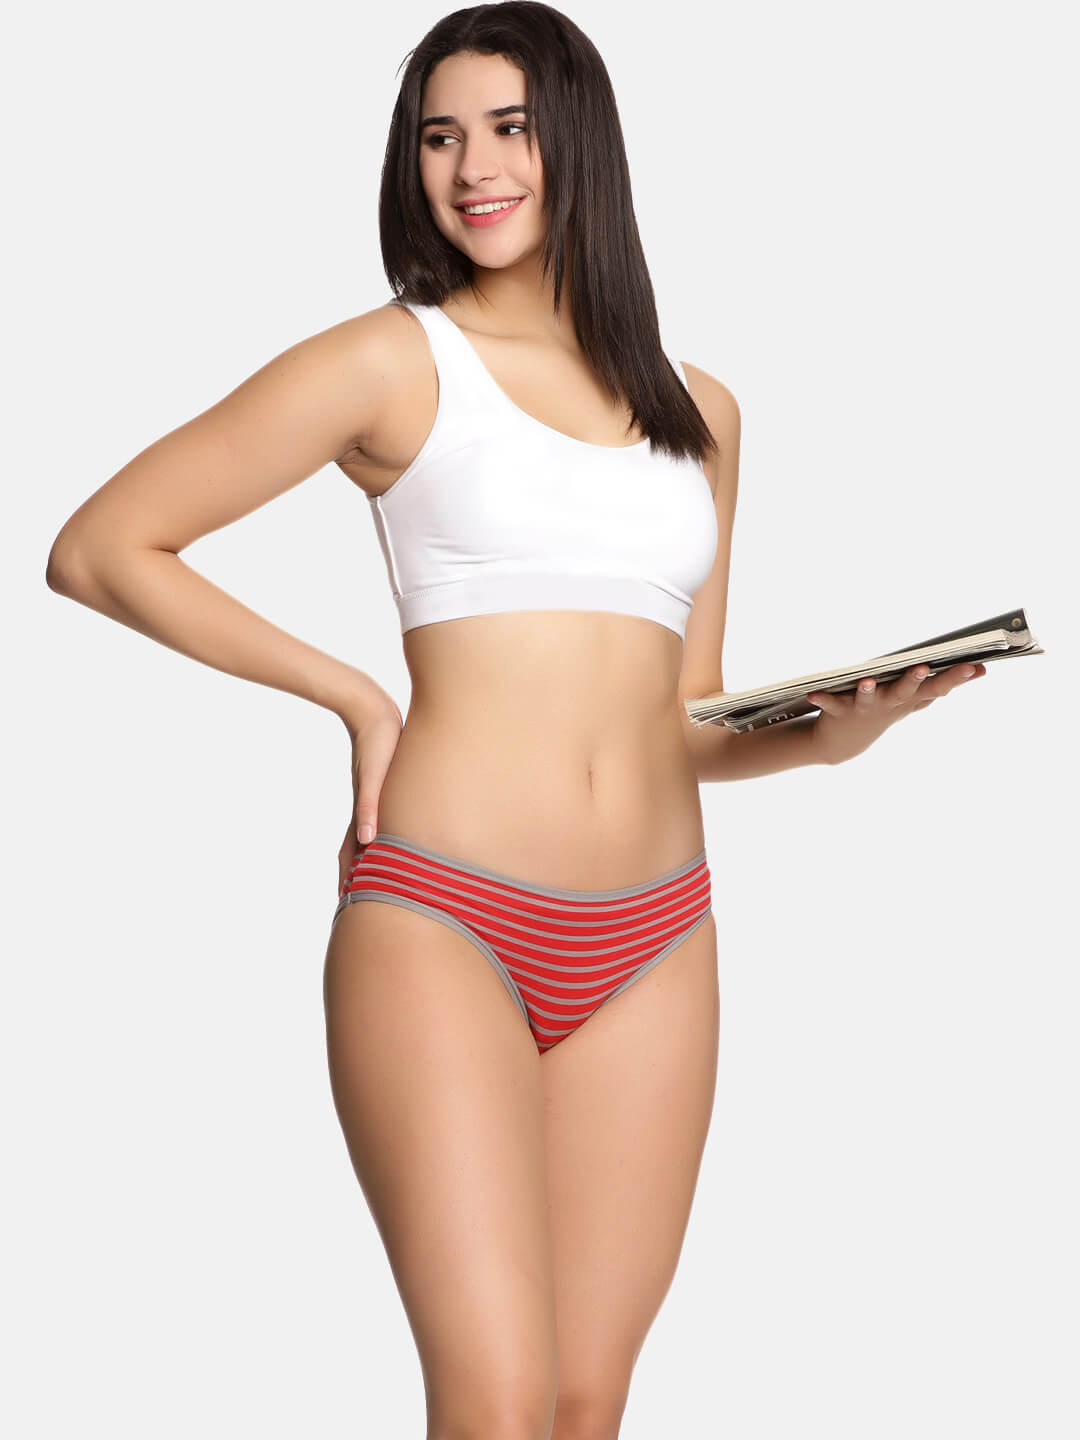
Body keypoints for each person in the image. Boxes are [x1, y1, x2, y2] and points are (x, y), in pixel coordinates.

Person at [44, 4, 986, 1435]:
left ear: (579, 146)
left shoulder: (701, 412)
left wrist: (832, 734)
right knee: (493, 1400)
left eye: (509, 129)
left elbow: (684, 724)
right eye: (439, 136)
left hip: (658, 934)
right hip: (444, 915)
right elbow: (102, 547)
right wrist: (356, 696)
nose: (472, 168)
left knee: (582, 1403)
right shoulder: (393, 362)